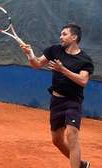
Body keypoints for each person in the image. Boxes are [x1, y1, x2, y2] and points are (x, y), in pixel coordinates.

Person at [20, 23, 94, 168]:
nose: (60, 37)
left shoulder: (85, 60)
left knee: (72, 135)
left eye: (64, 34)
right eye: (60, 34)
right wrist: (29, 53)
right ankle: (80, 165)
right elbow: (37, 64)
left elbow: (83, 80)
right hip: (56, 101)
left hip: (73, 102)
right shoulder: (54, 50)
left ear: (74, 37)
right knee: (57, 140)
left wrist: (62, 69)